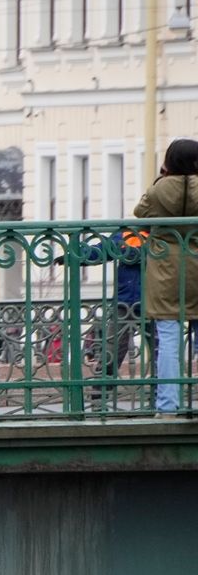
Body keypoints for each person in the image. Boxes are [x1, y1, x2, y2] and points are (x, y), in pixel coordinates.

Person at [132, 138, 198, 417]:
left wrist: (162, 177)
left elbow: (140, 213)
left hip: (165, 269)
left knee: (169, 338)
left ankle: (167, 407)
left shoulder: (159, 189)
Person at [65, 226, 145, 412]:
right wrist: (76, 255)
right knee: (110, 352)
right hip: (126, 303)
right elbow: (100, 251)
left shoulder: (155, 235)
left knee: (157, 353)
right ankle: (98, 402)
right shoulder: (128, 234)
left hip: (147, 302)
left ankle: (159, 399)